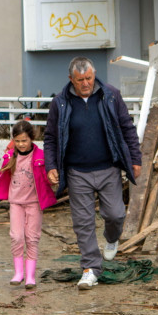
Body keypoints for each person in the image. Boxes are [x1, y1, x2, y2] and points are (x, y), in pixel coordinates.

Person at [44, 57, 142, 291]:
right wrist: (51, 166)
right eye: (80, 80)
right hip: (77, 172)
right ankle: (90, 269)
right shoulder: (60, 103)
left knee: (116, 214)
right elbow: (50, 138)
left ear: (94, 74)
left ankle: (111, 238)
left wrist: (135, 158)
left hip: (108, 168)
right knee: (83, 223)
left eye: (89, 78)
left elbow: (127, 127)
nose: (86, 83)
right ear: (71, 80)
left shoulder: (110, 95)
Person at [0, 120, 58, 289]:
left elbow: (49, 177)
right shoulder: (9, 157)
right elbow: (2, 177)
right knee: (16, 236)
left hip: (34, 203)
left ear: (31, 139)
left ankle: (30, 277)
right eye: (17, 141)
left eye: (24, 141)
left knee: (32, 238)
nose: (21, 144)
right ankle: (18, 273)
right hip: (16, 203)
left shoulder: (41, 156)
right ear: (13, 140)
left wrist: (53, 181)